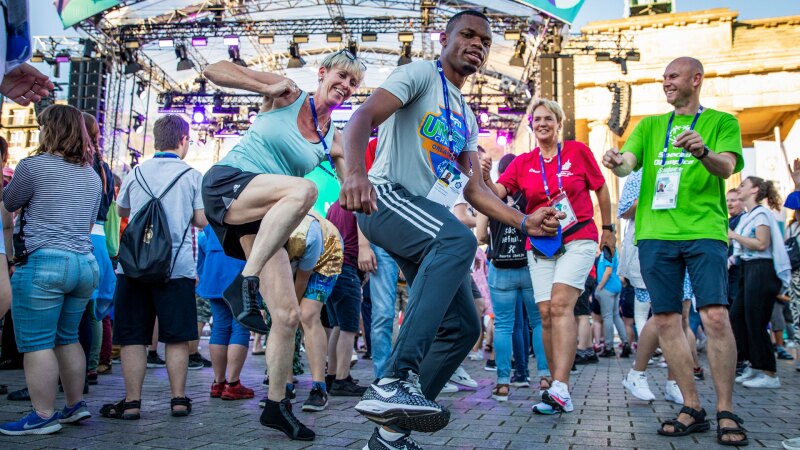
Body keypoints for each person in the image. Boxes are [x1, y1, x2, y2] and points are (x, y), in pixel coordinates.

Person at [340, 10, 561, 449]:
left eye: (485, 40)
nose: (477, 44)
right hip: (385, 197)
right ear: (445, 38)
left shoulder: (465, 113)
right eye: (468, 35)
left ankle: (389, 435)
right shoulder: (419, 74)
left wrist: (524, 220)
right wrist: (355, 174)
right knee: (457, 238)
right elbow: (361, 118)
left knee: (463, 326)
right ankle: (394, 379)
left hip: (421, 216)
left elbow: (475, 190)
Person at [202, 50, 364, 441]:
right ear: (322, 73)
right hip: (231, 183)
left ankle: (276, 406)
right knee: (305, 188)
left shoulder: (334, 139)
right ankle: (246, 281)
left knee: (287, 316)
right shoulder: (287, 95)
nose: (345, 86)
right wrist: (265, 85)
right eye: (341, 76)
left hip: (266, 219)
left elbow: (352, 194)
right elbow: (213, 70)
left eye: (354, 83)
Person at [603, 57, 747, 445]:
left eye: (672, 76)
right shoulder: (650, 125)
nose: (665, 82)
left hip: (704, 230)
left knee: (714, 316)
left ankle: (726, 409)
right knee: (666, 319)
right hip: (655, 234)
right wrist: (617, 163)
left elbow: (725, 166)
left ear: (695, 79)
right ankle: (692, 405)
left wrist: (703, 151)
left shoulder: (721, 122)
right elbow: (628, 163)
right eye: (664, 77)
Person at [488, 98, 614, 414]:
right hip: (541, 244)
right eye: (537, 119)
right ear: (531, 125)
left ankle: (560, 388)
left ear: (558, 123)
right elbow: (498, 194)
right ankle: (553, 382)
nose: (542, 123)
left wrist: (609, 228)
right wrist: (481, 173)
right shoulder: (522, 162)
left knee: (560, 306)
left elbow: (600, 188)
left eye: (548, 118)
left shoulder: (577, 152)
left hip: (579, 236)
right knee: (544, 314)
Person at [0, 104, 101, 435]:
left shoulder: (33, 167)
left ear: (50, 130)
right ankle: (74, 406)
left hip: (44, 263)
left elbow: (10, 202)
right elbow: (87, 223)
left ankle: (43, 415)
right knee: (67, 337)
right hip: (84, 264)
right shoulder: (91, 174)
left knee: (37, 343)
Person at [100, 115, 207, 421]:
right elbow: (200, 220)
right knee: (175, 337)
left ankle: (132, 402)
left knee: (134, 336)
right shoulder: (191, 175)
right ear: (183, 140)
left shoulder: (136, 171)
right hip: (176, 269)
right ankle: (178, 399)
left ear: (157, 140)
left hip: (133, 267)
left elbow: (122, 209)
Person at [475, 153, 549, 403]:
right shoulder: (531, 197)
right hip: (531, 264)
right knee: (537, 323)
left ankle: (504, 383)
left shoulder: (491, 199)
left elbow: (481, 235)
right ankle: (545, 377)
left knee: (504, 325)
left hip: (501, 267)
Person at [729, 176, 789, 389]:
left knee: (755, 319)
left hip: (762, 270)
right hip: (748, 268)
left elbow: (762, 243)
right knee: (738, 316)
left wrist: (734, 236)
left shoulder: (761, 214)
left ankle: (770, 373)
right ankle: (754, 365)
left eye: (743, 184)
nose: (739, 187)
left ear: (754, 190)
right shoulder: (749, 216)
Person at [196, 226, 253, 401]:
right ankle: (233, 384)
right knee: (240, 326)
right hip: (238, 270)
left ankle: (218, 382)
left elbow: (203, 242)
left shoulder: (211, 215)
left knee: (219, 326)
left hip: (214, 272)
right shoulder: (245, 213)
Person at [82, 112, 116, 386]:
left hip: (83, 238)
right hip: (100, 239)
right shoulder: (103, 167)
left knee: (78, 309)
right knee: (93, 310)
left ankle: (83, 367)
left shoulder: (83, 164)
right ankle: (91, 366)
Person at [325, 201, 368, 396]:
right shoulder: (357, 205)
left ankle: (333, 375)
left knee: (337, 326)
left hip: (332, 269)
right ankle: (341, 379)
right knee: (348, 328)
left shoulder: (334, 207)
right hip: (348, 266)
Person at [595, 250, 630, 357]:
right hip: (614, 286)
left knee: (607, 317)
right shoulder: (611, 249)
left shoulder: (608, 249)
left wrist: (600, 286)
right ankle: (625, 343)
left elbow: (608, 270)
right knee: (615, 316)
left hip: (608, 287)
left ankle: (609, 347)